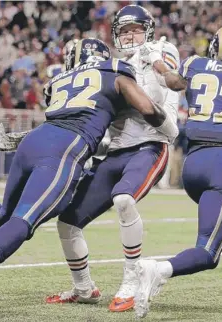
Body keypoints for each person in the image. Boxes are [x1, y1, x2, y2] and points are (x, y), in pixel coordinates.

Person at [0, 38, 176, 313]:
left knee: (7, 214)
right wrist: (170, 130)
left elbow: (69, 117)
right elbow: (146, 109)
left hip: (35, 140)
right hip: (64, 148)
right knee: (25, 221)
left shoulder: (58, 80)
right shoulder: (114, 70)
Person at [46, 5, 180, 311]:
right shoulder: (112, 65)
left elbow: (164, 92)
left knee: (124, 199)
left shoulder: (161, 49)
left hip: (150, 144)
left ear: (147, 30)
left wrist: (148, 64)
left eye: (135, 29)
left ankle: (132, 280)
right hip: (116, 150)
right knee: (67, 220)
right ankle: (83, 289)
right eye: (124, 31)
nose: (130, 36)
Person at [133, 24, 222, 318]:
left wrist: (155, 59)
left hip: (193, 165)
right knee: (208, 253)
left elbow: (169, 80)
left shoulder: (196, 64)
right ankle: (158, 269)